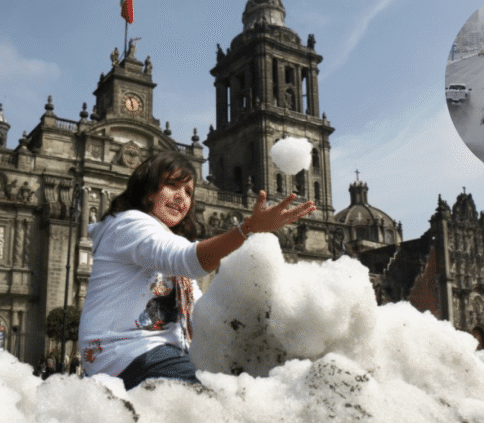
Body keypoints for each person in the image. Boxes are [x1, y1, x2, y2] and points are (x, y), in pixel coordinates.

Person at [78, 151, 315, 390]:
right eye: (172, 185)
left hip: (163, 356)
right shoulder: (128, 224)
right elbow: (188, 259)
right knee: (223, 397)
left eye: (188, 192)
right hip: (125, 354)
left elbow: (201, 314)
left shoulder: (169, 241)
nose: (181, 197)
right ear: (148, 190)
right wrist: (248, 228)